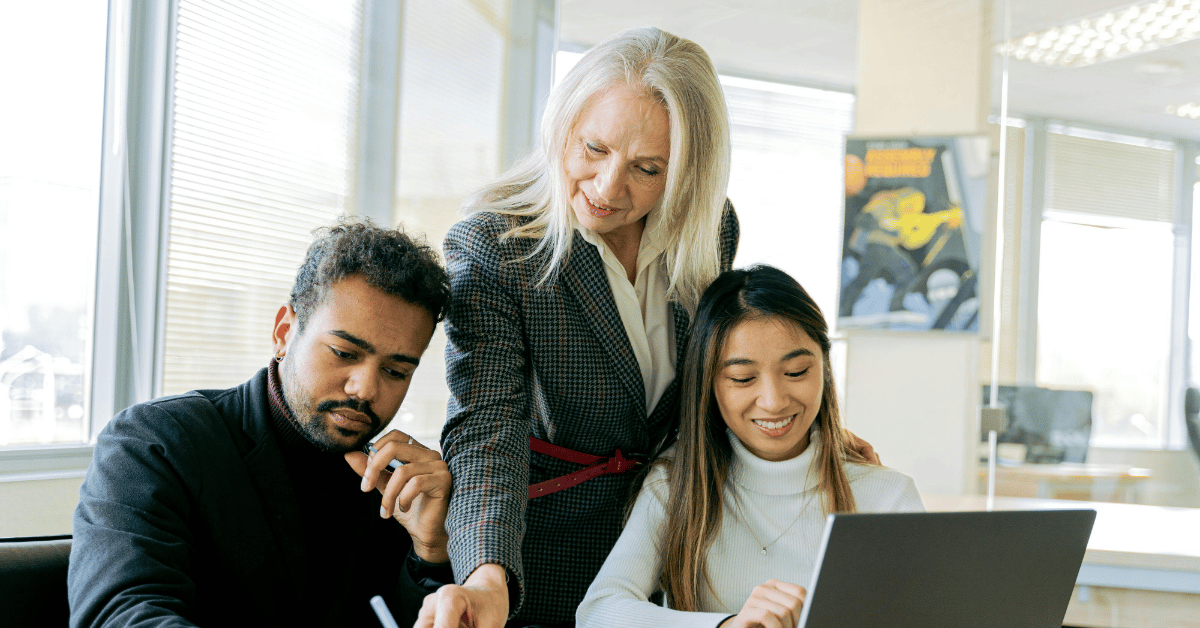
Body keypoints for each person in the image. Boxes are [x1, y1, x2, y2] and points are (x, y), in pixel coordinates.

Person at [422, 26, 738, 628]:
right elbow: (487, 426)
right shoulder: (496, 247)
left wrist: (810, 441)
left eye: (648, 169)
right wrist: (486, 574)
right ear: (562, 125)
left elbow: (716, 381)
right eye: (594, 148)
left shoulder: (708, 228)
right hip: (545, 562)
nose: (608, 187)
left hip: (676, 562)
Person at [68, 220, 454, 628]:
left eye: (395, 372)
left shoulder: (399, 491)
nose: (365, 389)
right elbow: (123, 615)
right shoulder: (156, 442)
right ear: (284, 333)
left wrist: (431, 553)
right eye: (344, 352)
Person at [576, 265, 924, 628]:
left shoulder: (887, 495)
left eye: (796, 372)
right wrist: (726, 626)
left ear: (824, 366)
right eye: (742, 378)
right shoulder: (675, 484)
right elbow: (598, 611)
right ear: (708, 382)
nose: (773, 402)